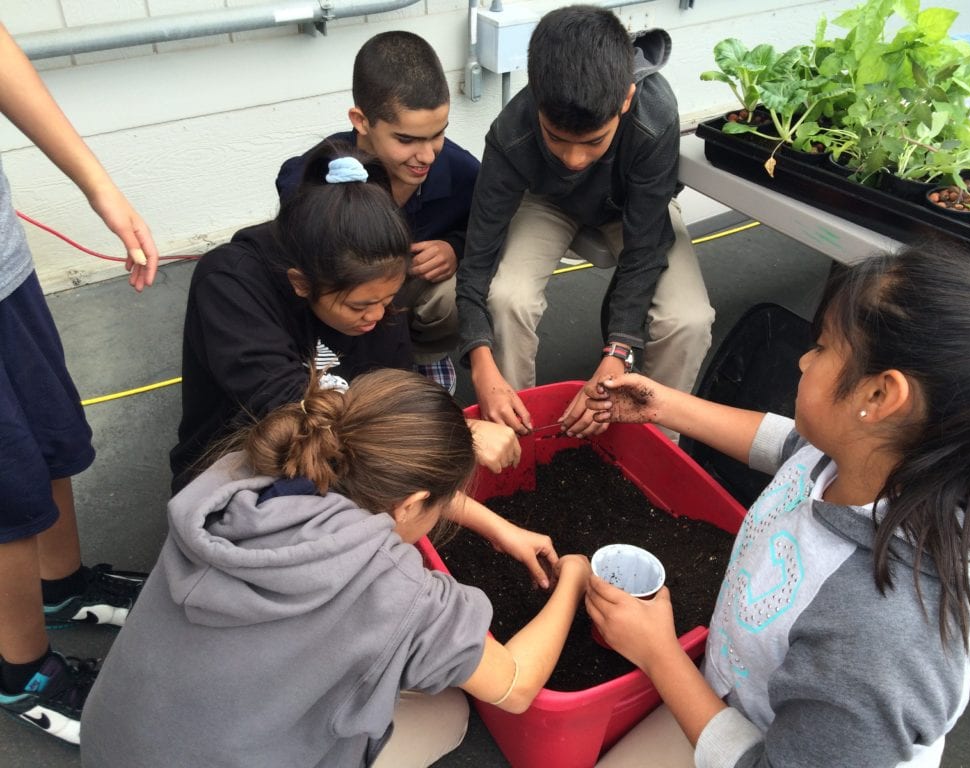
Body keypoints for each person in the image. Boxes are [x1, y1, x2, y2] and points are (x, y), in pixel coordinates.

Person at [582, 247, 970, 768]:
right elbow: (791, 448)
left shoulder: (879, 642)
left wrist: (659, 654)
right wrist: (664, 406)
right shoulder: (875, 458)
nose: (802, 359)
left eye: (821, 347)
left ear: (881, 396)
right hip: (742, 698)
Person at [82, 368, 591, 767]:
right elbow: (517, 686)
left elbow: (384, 486)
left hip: (111, 742)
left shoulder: (242, 472)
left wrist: (499, 528)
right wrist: (573, 575)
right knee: (447, 712)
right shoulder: (395, 590)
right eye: (443, 503)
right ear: (412, 504)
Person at [171, 142, 518, 496]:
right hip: (240, 465)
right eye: (359, 306)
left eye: (388, 299)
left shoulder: (374, 291)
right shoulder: (231, 283)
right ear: (301, 283)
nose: (378, 315)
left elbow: (391, 389)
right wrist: (463, 432)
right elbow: (292, 408)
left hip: (340, 451)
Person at [0, 24, 162, 746]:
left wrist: (100, 187)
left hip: (4, 268)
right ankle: (22, 670)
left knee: (53, 430)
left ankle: (61, 588)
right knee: (7, 488)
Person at [456, 5, 714, 438]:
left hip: (632, 206)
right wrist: (480, 361)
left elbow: (645, 246)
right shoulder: (512, 133)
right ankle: (519, 435)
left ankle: (650, 442)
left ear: (626, 99)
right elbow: (476, 260)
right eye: (556, 139)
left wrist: (618, 350)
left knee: (688, 320)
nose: (574, 159)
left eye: (594, 141)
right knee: (508, 298)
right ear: (537, 99)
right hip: (548, 202)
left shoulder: (654, 115)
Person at [277, 31, 478, 395]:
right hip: (339, 313)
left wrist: (455, 247)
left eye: (438, 134)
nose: (428, 155)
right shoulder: (306, 181)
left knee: (458, 294)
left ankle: (427, 357)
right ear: (361, 120)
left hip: (407, 301)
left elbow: (488, 232)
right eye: (406, 139)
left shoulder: (465, 173)